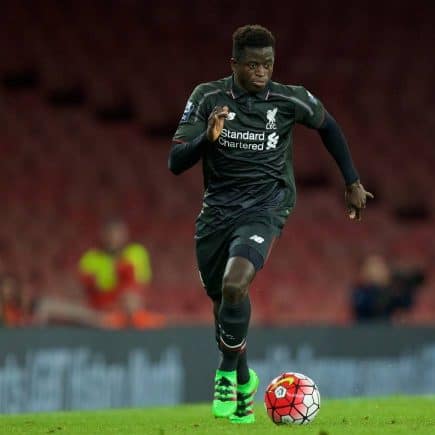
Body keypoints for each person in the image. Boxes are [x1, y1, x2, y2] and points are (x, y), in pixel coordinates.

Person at [168, 24, 373, 424]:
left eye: (267, 64)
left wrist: (352, 181)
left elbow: (328, 125)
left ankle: (226, 374)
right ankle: (245, 380)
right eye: (252, 64)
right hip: (217, 212)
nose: (261, 72)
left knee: (234, 283)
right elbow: (175, 163)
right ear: (234, 64)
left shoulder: (288, 98)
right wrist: (208, 138)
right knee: (224, 303)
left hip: (267, 205)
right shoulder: (207, 97)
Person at [35, 218, 163, 329]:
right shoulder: (91, 258)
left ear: (125, 235)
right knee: (46, 306)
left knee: (131, 300)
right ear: (103, 235)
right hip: (97, 313)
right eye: (110, 233)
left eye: (117, 233)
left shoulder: (136, 252)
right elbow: (91, 289)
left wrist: (116, 277)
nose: (114, 237)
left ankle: (121, 325)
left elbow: (137, 286)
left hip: (127, 312)